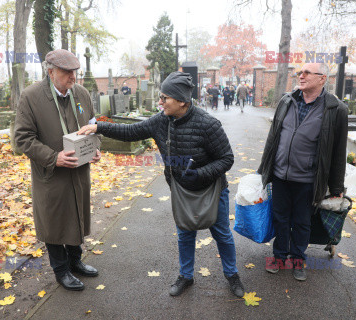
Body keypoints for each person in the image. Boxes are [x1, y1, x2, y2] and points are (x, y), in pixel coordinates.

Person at [77, 71, 245, 298]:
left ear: (182, 101)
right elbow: (132, 131)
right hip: (181, 191)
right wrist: (99, 126)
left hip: (212, 191)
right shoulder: (161, 121)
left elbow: (227, 158)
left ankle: (232, 275)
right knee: (185, 234)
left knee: (222, 234)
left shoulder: (208, 124)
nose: (160, 102)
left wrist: (201, 174)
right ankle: (186, 275)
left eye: (165, 98)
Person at [14, 49, 102, 291]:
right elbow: (22, 139)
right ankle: (61, 270)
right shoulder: (31, 97)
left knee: (76, 216)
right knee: (54, 223)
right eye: (67, 73)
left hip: (79, 171)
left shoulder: (81, 93)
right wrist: (54, 157)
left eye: (75, 72)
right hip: (51, 174)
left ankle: (76, 262)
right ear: (50, 72)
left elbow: (92, 125)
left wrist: (95, 147)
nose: (73, 77)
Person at [257, 63, 348, 281]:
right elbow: (273, 138)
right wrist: (264, 170)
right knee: (280, 218)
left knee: (301, 221)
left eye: (307, 72)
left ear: (322, 78)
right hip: (280, 175)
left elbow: (338, 151)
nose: (301, 75)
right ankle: (279, 257)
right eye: (300, 72)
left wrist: (336, 187)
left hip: (308, 179)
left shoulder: (336, 109)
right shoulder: (287, 101)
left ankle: (298, 260)